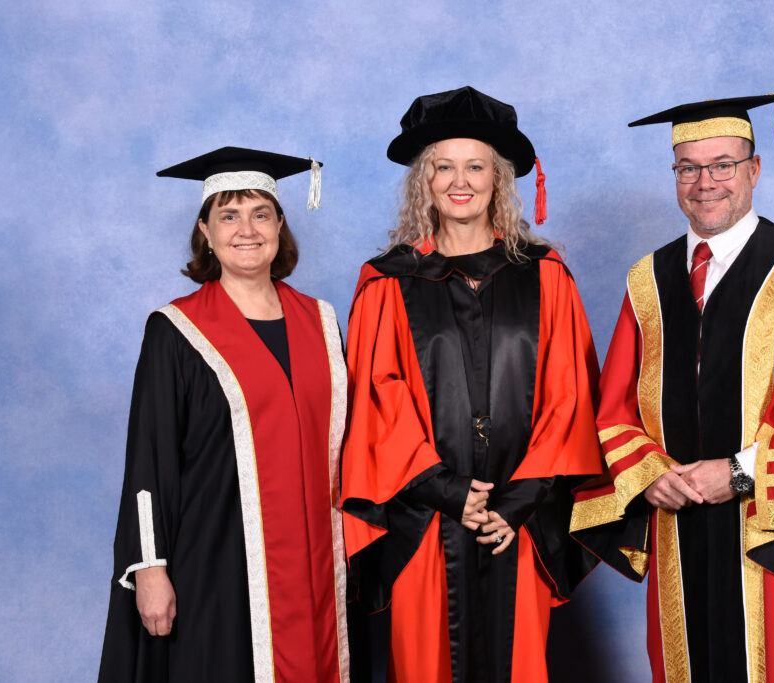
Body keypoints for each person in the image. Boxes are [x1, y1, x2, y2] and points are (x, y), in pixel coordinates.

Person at [571, 94, 774, 683]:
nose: (704, 183)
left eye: (722, 165)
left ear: (754, 170)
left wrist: (740, 474)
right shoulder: (649, 280)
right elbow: (613, 408)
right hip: (678, 530)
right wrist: (648, 475)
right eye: (688, 167)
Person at [340, 86, 601, 683]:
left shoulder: (546, 276)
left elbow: (570, 396)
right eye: (443, 166)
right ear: (423, 180)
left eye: (475, 166)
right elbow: (379, 398)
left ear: (499, 178)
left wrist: (513, 503)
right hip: (426, 519)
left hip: (520, 523)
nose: (460, 181)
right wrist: (449, 490)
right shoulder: (386, 282)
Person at [98, 147, 352, 682]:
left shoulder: (321, 323)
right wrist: (150, 568)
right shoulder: (175, 329)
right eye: (228, 216)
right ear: (205, 233)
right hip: (215, 559)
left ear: (281, 225)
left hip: (317, 565)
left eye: (261, 213)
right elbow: (149, 454)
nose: (247, 230)